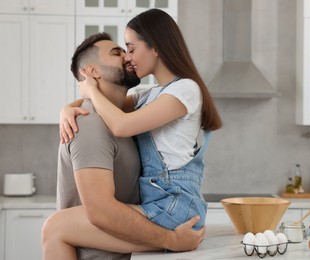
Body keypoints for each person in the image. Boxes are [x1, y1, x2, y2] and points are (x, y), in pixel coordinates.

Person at [51, 8, 222, 258]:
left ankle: (173, 239)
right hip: (160, 203)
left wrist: (91, 90)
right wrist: (67, 108)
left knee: (57, 226)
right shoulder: (151, 95)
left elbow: (120, 124)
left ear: (155, 46)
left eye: (131, 48)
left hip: (173, 205)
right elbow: (114, 107)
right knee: (62, 225)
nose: (128, 57)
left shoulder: (185, 89)